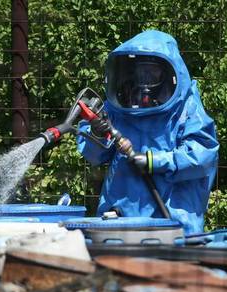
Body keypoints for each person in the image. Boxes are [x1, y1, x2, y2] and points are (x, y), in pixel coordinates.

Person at [76, 30, 219, 234]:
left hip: (174, 222)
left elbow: (202, 156)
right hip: (120, 219)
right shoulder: (118, 106)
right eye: (140, 73)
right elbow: (93, 155)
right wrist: (97, 132)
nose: (145, 80)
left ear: (171, 73)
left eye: (152, 73)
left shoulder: (185, 108)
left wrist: (155, 161)